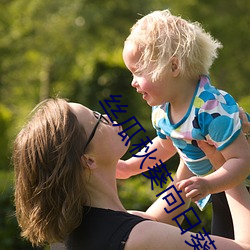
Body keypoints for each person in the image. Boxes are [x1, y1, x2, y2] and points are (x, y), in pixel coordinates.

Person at [13, 98, 250, 250]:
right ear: (88, 160)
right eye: (98, 120)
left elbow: (154, 217)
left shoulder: (82, 232)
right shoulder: (138, 237)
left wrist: (191, 136)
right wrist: (227, 165)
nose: (108, 117)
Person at [120, 9, 250, 239]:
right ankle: (149, 222)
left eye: (138, 72)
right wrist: (130, 166)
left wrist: (209, 184)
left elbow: (242, 160)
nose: (132, 82)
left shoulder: (211, 109)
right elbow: (166, 144)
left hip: (239, 186)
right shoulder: (162, 109)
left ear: (173, 67)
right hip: (215, 184)